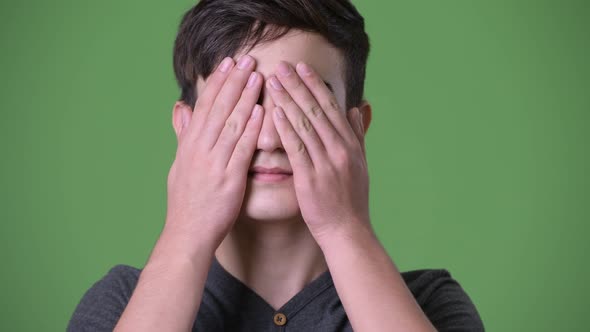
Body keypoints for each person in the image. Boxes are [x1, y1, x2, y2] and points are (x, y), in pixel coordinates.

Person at [68, 0, 484, 331]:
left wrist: (344, 227)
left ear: (356, 129)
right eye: (237, 106)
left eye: (302, 104)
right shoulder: (122, 303)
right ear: (186, 128)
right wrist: (185, 234)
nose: (268, 140)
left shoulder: (429, 304)